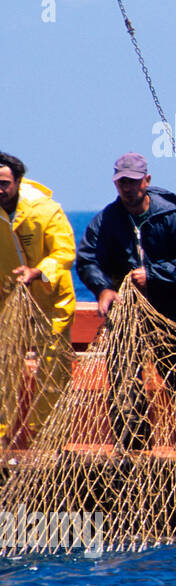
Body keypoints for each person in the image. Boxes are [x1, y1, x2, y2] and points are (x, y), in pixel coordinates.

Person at [75, 152, 176, 450]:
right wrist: (102, 289)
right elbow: (87, 260)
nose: (128, 188)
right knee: (124, 385)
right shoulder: (106, 221)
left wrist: (155, 274)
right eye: (122, 182)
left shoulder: (174, 218)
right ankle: (133, 451)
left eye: (133, 182)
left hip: (172, 316)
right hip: (127, 318)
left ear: (147, 181)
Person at [0, 151, 76, 447]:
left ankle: (48, 436)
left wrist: (38, 271)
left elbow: (64, 253)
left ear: (18, 182)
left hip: (49, 301)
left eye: (5, 183)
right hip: (6, 303)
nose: (0, 189)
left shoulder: (45, 210)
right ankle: (3, 436)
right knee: (4, 367)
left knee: (53, 368)